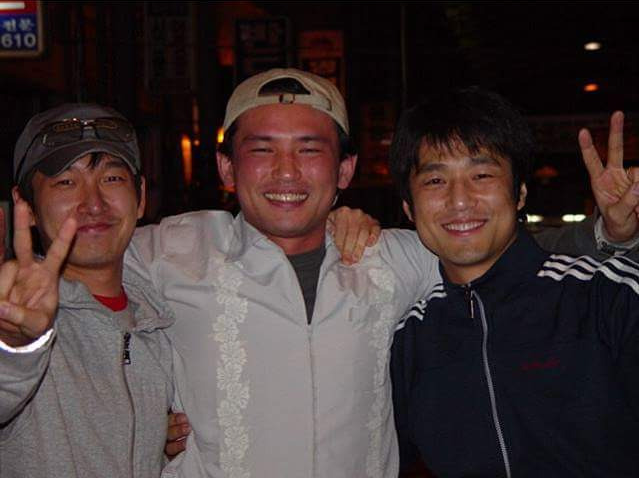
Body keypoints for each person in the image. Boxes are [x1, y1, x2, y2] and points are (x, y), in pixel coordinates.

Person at [390, 87, 639, 477]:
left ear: (520, 192)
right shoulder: (408, 339)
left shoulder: (606, 298)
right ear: (408, 207)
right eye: (435, 180)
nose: (460, 200)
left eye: (482, 175)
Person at [0, 104, 175, 477]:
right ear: (25, 206)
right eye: (66, 182)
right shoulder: (18, 311)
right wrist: (15, 344)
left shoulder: (160, 322)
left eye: (111, 178)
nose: (93, 204)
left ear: (141, 196)